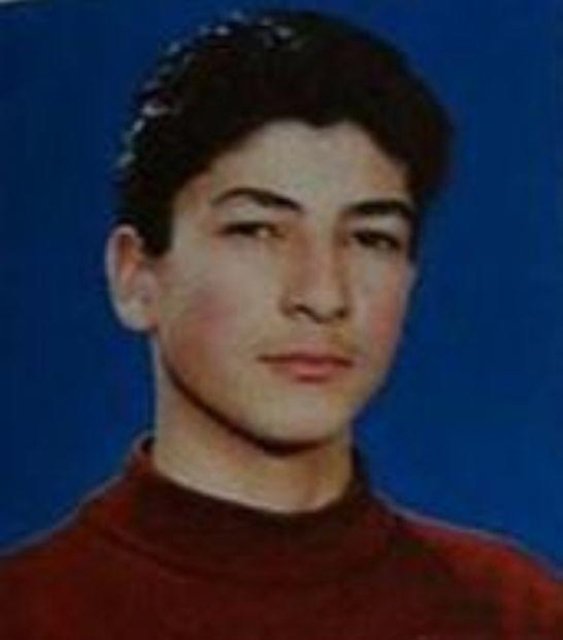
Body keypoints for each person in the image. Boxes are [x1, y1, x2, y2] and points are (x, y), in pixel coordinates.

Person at [0, 8, 561, 639]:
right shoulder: (26, 612)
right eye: (257, 230)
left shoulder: (515, 613)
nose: (322, 295)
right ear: (136, 277)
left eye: (371, 238)